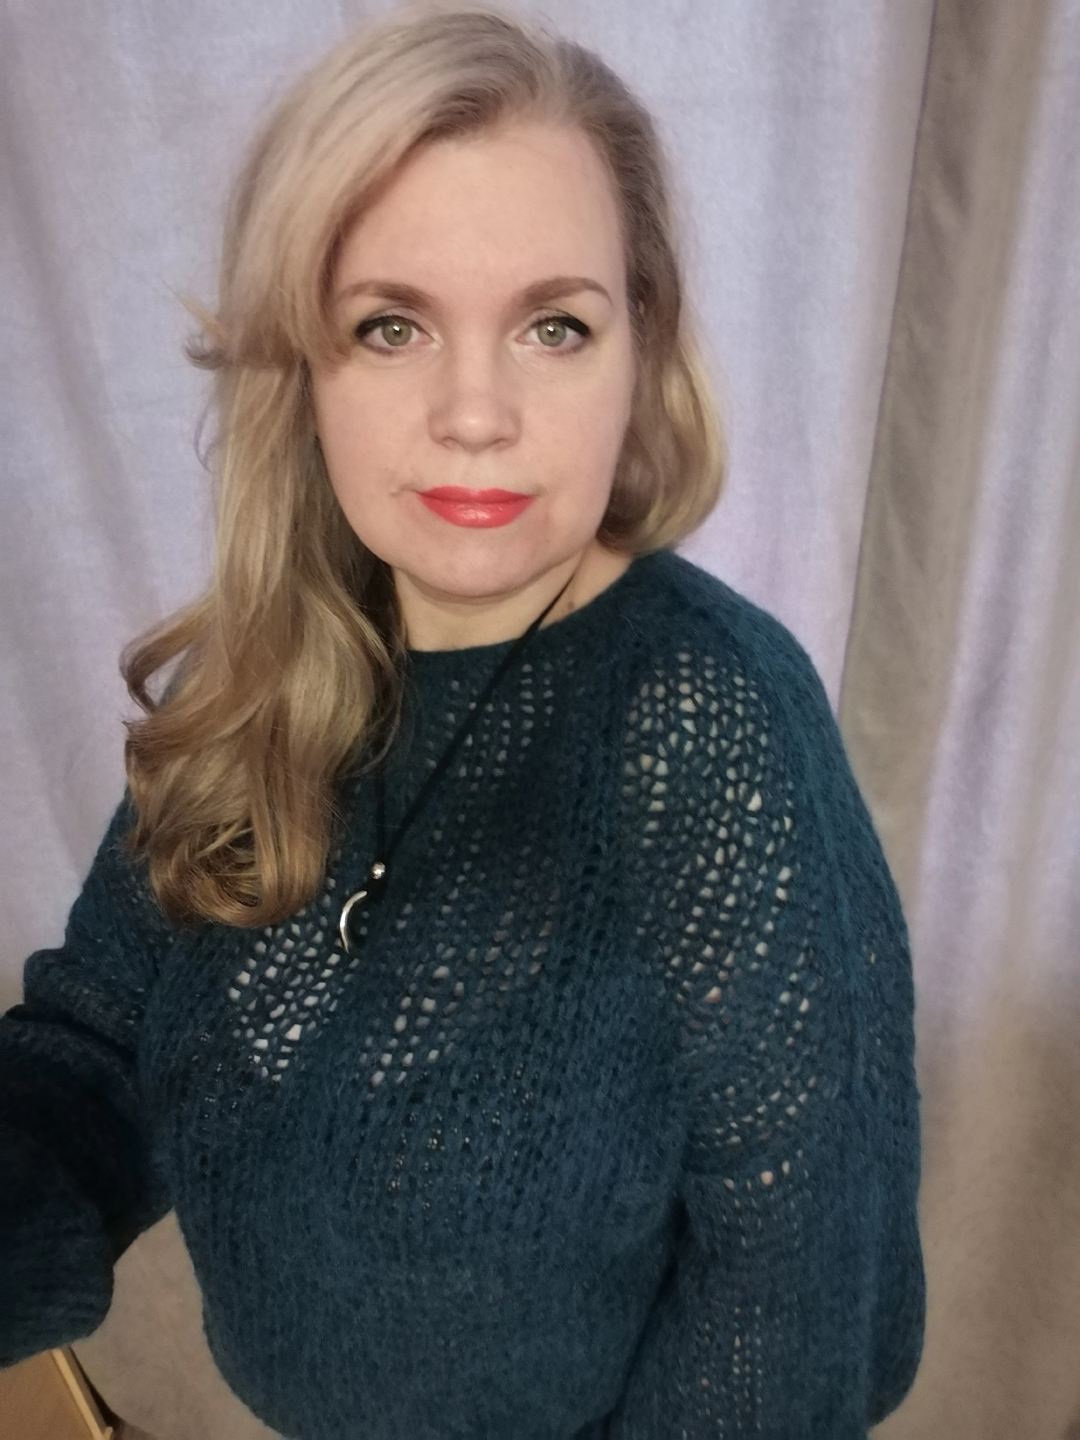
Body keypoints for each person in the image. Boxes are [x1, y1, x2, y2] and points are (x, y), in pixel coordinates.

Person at [0, 8, 924, 1437]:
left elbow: (800, 1319)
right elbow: (96, 1056)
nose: (475, 412)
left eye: (555, 326)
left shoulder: (706, 724)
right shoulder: (260, 674)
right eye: (392, 325)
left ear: (640, 351)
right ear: (305, 364)